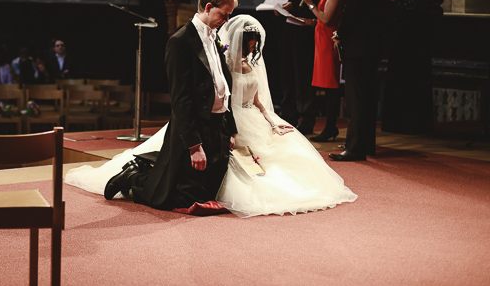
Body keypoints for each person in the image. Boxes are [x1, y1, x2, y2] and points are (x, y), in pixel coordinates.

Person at [67, 14, 357, 217]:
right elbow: (194, 95)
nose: (252, 50)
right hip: (213, 121)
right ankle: (136, 176)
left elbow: (256, 101)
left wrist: (272, 122)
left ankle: (161, 179)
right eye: (249, 44)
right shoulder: (209, 52)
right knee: (181, 187)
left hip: (237, 122)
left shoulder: (242, 60)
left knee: (216, 176)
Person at [102, 0, 239, 213]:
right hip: (195, 126)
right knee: (176, 198)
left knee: (208, 192)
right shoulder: (181, 41)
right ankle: (132, 177)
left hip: (218, 125)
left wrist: (230, 127)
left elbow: (223, 85)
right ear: (207, 7)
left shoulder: (214, 37)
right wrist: (194, 146)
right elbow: (180, 98)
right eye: (223, 14)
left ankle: (150, 171)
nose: (226, 20)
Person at [329, 0, 386, 161]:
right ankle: (365, 144)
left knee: (357, 98)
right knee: (367, 97)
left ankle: (354, 148)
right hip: (370, 46)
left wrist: (340, 33)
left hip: (358, 46)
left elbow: (352, 11)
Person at [272, 0, 322, 134]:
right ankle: (288, 114)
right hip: (285, 26)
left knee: (303, 72)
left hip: (303, 26)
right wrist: (276, 7)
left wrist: (296, 7)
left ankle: (307, 117)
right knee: (286, 71)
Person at [302, 0, 346, 142]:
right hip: (321, 40)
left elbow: (328, 19)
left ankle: (330, 127)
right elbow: (323, 17)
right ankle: (329, 127)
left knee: (331, 87)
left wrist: (311, 5)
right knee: (327, 87)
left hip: (329, 42)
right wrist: (310, 22)